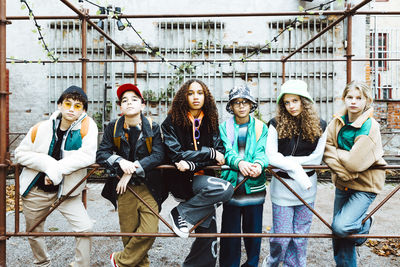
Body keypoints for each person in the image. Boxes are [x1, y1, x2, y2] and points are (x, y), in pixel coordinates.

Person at [14, 86, 98, 267]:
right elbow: (19, 154)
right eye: (67, 103)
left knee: (85, 228)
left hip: (68, 191)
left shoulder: (87, 127)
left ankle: (80, 264)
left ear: (83, 110)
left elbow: (87, 156)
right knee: (34, 231)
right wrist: (46, 163)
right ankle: (42, 263)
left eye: (77, 106)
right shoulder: (41, 128)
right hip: (36, 189)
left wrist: (55, 171)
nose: (71, 109)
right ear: (59, 105)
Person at [161, 79, 234, 267]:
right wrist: (209, 153)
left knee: (209, 236)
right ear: (184, 97)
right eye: (191, 93)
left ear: (205, 96)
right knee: (226, 188)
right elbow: (176, 154)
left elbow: (221, 155)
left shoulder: (210, 121)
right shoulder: (170, 122)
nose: (196, 97)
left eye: (200, 93)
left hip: (206, 181)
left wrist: (193, 163)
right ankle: (180, 213)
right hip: (182, 182)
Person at [96, 83, 167, 267]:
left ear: (142, 105)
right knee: (128, 235)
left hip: (147, 187)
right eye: (124, 100)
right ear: (120, 107)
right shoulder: (113, 127)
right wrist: (121, 162)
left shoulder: (153, 127)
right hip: (123, 189)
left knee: (150, 230)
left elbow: (159, 155)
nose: (129, 103)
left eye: (134, 99)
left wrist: (133, 168)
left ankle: (119, 260)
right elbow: (102, 154)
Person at [264, 80, 327, 267]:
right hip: (282, 187)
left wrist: (289, 163)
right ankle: (272, 262)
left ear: (304, 101)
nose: (291, 106)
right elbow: (271, 156)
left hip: (307, 188)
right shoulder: (275, 124)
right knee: (282, 237)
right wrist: (295, 165)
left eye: (295, 101)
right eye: (287, 102)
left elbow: (316, 159)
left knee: (300, 238)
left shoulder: (320, 125)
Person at [323, 81, 386, 267]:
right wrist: (344, 166)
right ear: (344, 98)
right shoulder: (337, 121)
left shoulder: (370, 126)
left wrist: (338, 153)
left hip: (365, 185)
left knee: (341, 227)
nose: (353, 102)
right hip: (343, 181)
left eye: (359, 98)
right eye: (350, 97)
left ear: (368, 101)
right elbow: (325, 148)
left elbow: (354, 162)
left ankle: (364, 223)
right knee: (339, 236)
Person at [218, 85, 269, 267]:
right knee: (230, 235)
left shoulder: (261, 127)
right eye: (236, 102)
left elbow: (262, 151)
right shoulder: (224, 127)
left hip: (254, 188)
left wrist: (258, 164)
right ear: (231, 106)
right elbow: (227, 151)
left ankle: (252, 264)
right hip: (232, 188)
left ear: (251, 105)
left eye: (245, 102)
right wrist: (239, 163)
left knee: (253, 234)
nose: (241, 106)